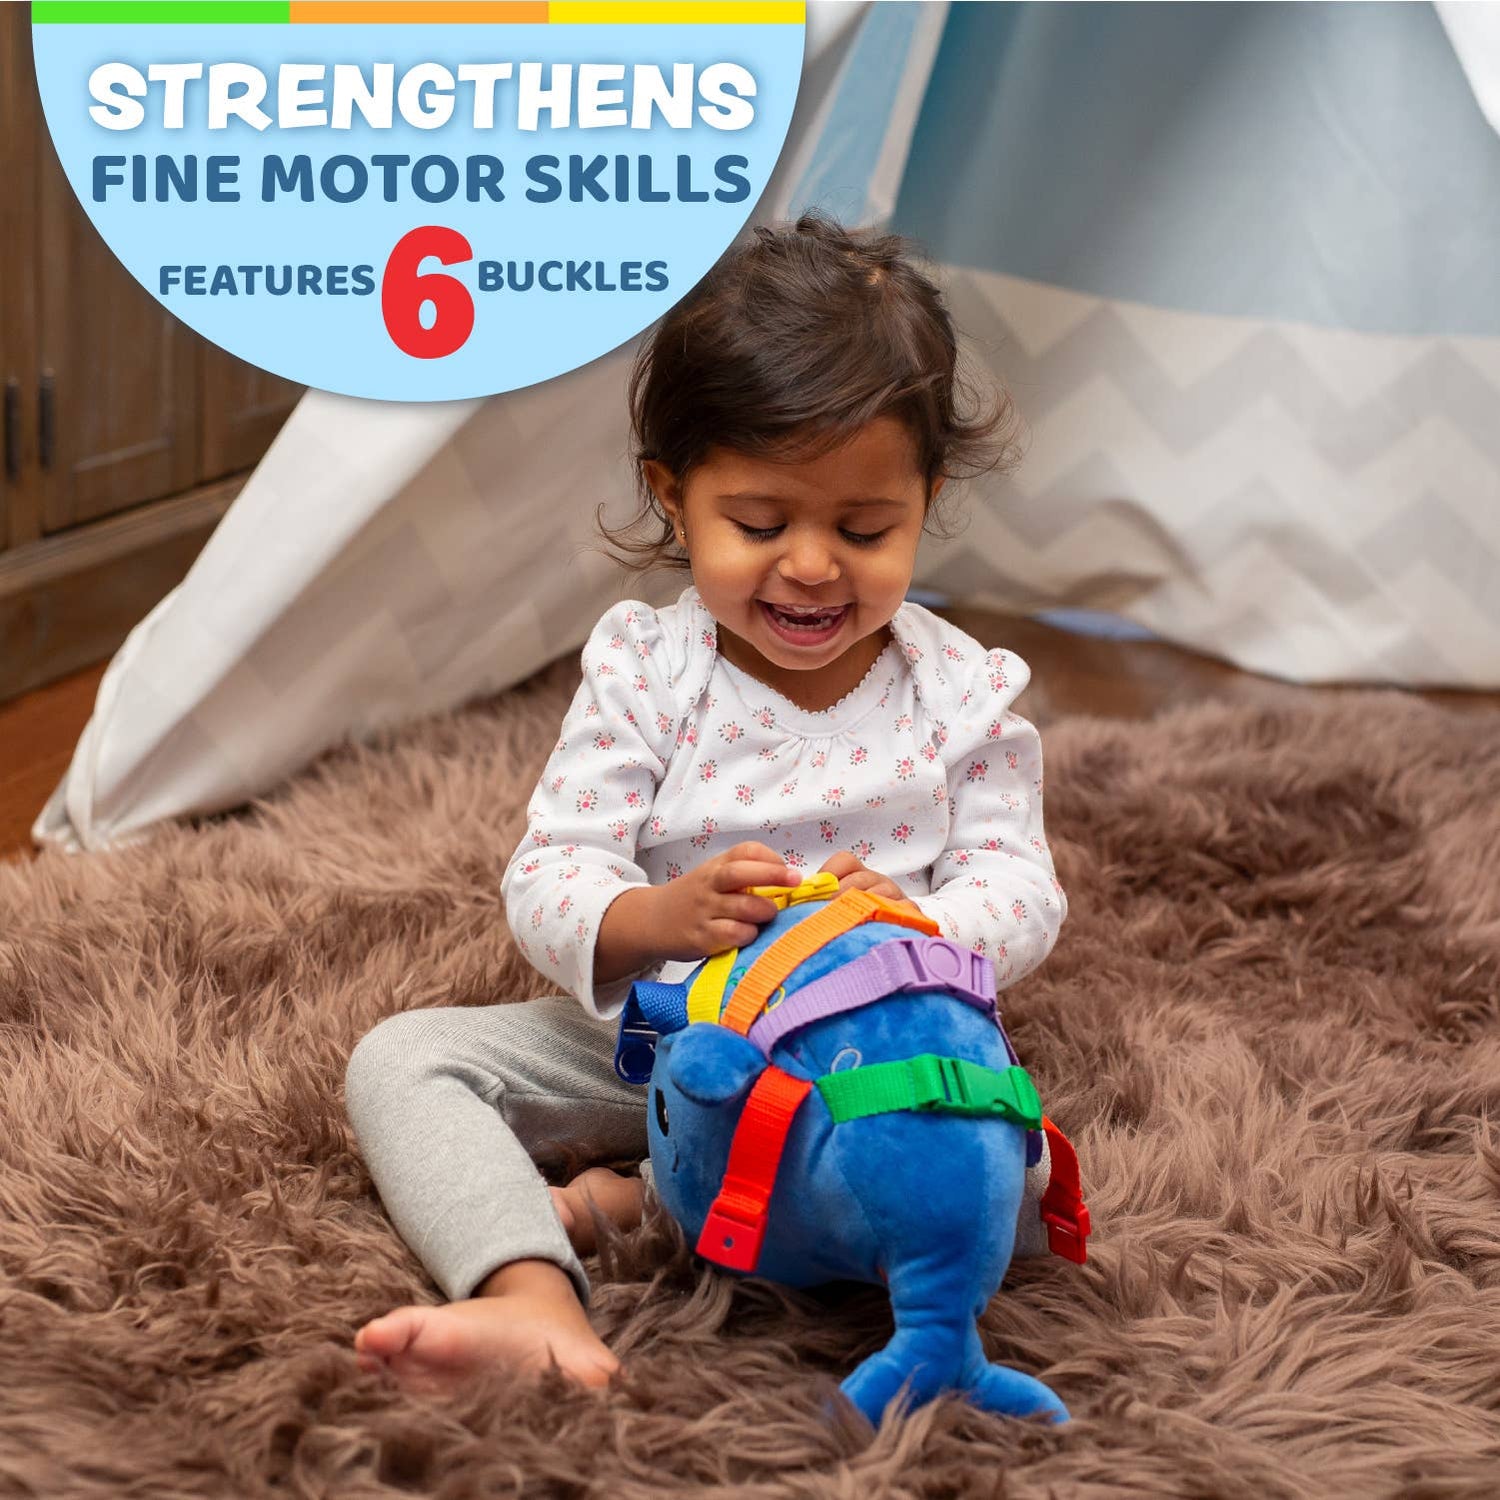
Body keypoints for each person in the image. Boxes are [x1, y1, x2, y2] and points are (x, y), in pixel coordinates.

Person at [345, 214, 1067, 1396]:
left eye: (866, 527)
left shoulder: (962, 693)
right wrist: (659, 917)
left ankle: (653, 1198)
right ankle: (528, 1293)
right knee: (401, 1062)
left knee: (1011, 1172)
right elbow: (551, 873)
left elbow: (1022, 889)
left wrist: (927, 928)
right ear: (674, 500)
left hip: (849, 1060)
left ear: (926, 499)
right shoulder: (647, 670)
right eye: (761, 524)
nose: (814, 566)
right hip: (652, 1038)